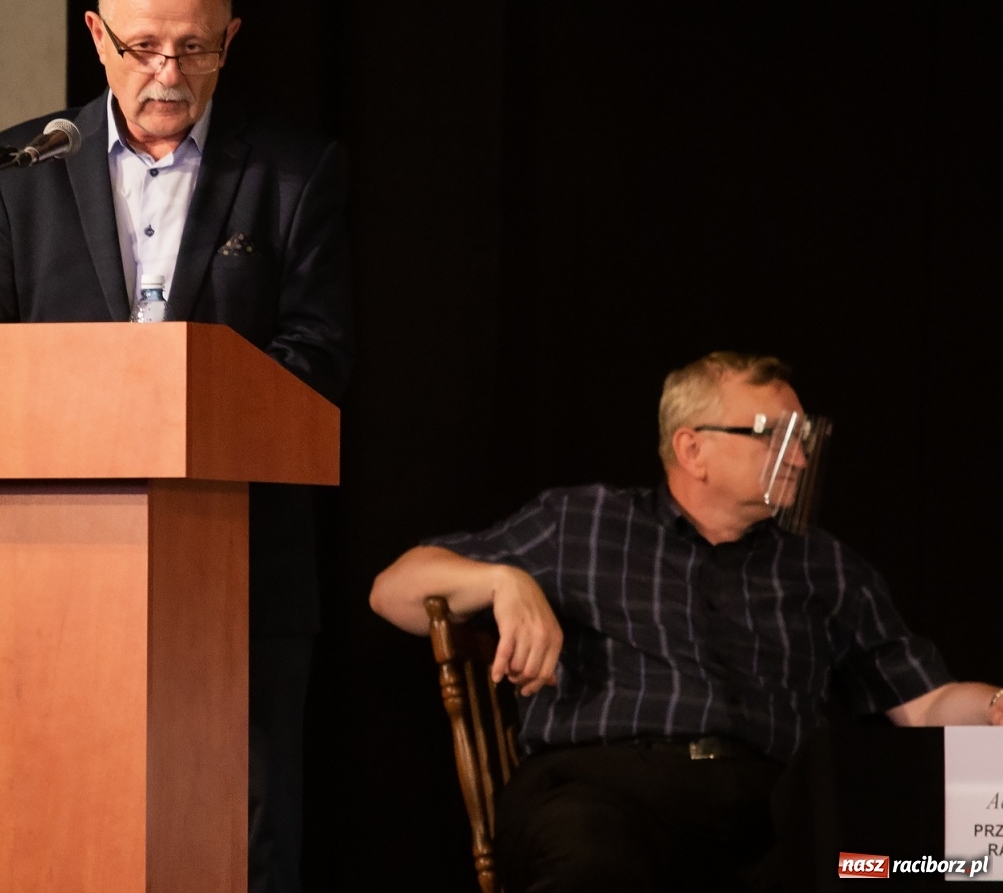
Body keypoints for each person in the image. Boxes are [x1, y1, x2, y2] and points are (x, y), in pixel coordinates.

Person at [0, 0, 353, 893]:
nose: (168, 73)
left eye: (195, 49)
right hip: (58, 571)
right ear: (97, 38)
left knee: (239, 844)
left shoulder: (294, 172)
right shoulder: (20, 168)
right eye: (143, 48)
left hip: (240, 568)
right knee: (65, 833)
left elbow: (318, 360)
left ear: (230, 41)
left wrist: (179, 401)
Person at [369, 352, 1003, 892]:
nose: (799, 458)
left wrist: (993, 708)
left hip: (770, 809)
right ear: (692, 448)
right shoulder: (583, 523)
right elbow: (391, 591)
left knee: (953, 833)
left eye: (804, 439)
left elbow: (924, 702)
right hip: (605, 788)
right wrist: (501, 580)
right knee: (593, 862)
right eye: (775, 436)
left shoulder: (824, 565)